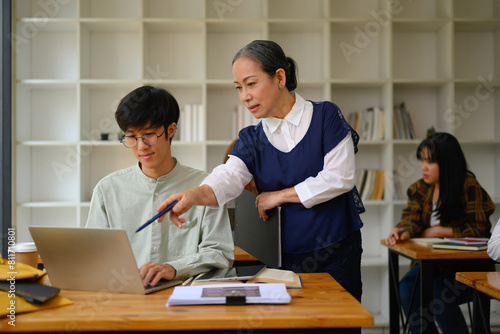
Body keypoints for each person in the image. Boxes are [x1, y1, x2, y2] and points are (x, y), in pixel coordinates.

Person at [156, 39, 365, 302]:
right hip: (281, 258)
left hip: (337, 251)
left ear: (279, 77)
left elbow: (340, 177)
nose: (244, 96)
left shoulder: (325, 116)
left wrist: (279, 195)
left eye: (251, 84)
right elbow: (228, 176)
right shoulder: (252, 138)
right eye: (238, 88)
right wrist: (193, 195)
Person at [86, 86, 234, 286]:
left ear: (170, 130)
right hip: (125, 297)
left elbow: (219, 253)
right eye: (131, 137)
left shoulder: (204, 188)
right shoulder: (107, 190)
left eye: (149, 134)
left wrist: (175, 268)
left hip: (186, 297)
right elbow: (94, 255)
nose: (141, 146)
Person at [385, 132, 495, 334]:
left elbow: (480, 230)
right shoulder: (419, 189)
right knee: (406, 288)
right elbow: (411, 219)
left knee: (438, 293)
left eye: (431, 161)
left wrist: (438, 231)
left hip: (469, 266)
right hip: (433, 266)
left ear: (447, 163)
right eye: (422, 160)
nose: (423, 167)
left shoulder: (469, 187)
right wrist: (402, 231)